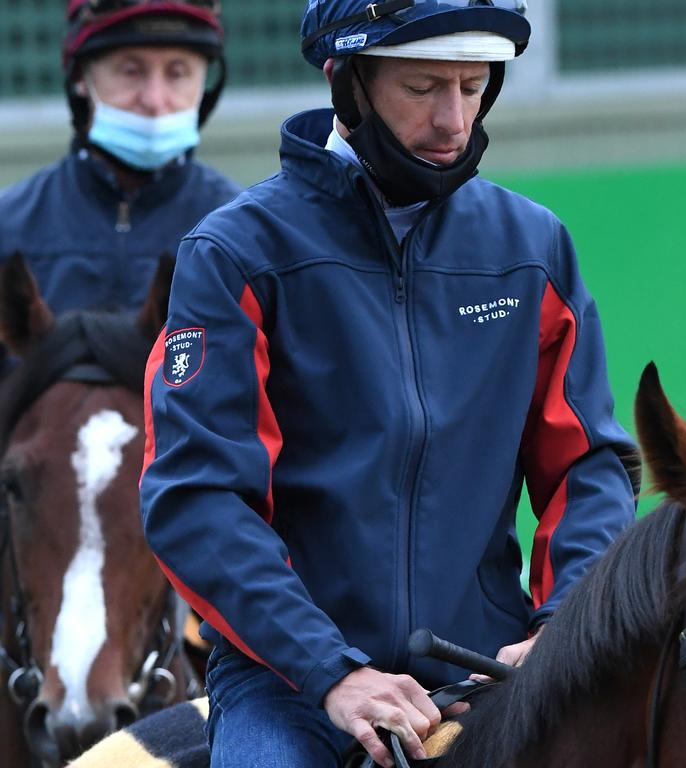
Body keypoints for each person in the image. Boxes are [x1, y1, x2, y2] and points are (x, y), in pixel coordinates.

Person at [139, 2, 639, 767]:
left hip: (487, 673)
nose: (454, 120)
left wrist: (561, 626)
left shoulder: (532, 246)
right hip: (292, 688)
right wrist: (331, 671)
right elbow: (197, 498)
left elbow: (589, 467)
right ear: (350, 81)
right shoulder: (234, 253)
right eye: (424, 86)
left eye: (474, 87)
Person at [0, 0, 240, 325]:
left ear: (204, 86)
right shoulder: (10, 227)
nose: (155, 100)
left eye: (178, 73)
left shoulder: (243, 233)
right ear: (81, 78)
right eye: (131, 71)